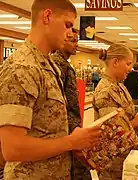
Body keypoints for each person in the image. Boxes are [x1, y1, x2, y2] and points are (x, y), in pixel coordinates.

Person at [0, 0, 101, 179]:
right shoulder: (22, 67)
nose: (70, 34)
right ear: (47, 16)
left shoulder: (49, 65)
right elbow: (13, 149)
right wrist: (70, 142)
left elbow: (46, 128)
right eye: (67, 25)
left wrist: (74, 141)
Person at [93, 44, 138, 180]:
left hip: (126, 156)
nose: (130, 68)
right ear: (115, 62)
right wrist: (137, 121)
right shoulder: (106, 90)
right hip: (113, 163)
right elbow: (110, 133)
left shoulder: (119, 86)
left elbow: (126, 116)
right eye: (127, 64)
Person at [50, 29, 91, 179]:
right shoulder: (58, 65)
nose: (76, 45)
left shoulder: (65, 65)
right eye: (73, 41)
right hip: (65, 129)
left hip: (72, 127)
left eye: (77, 41)